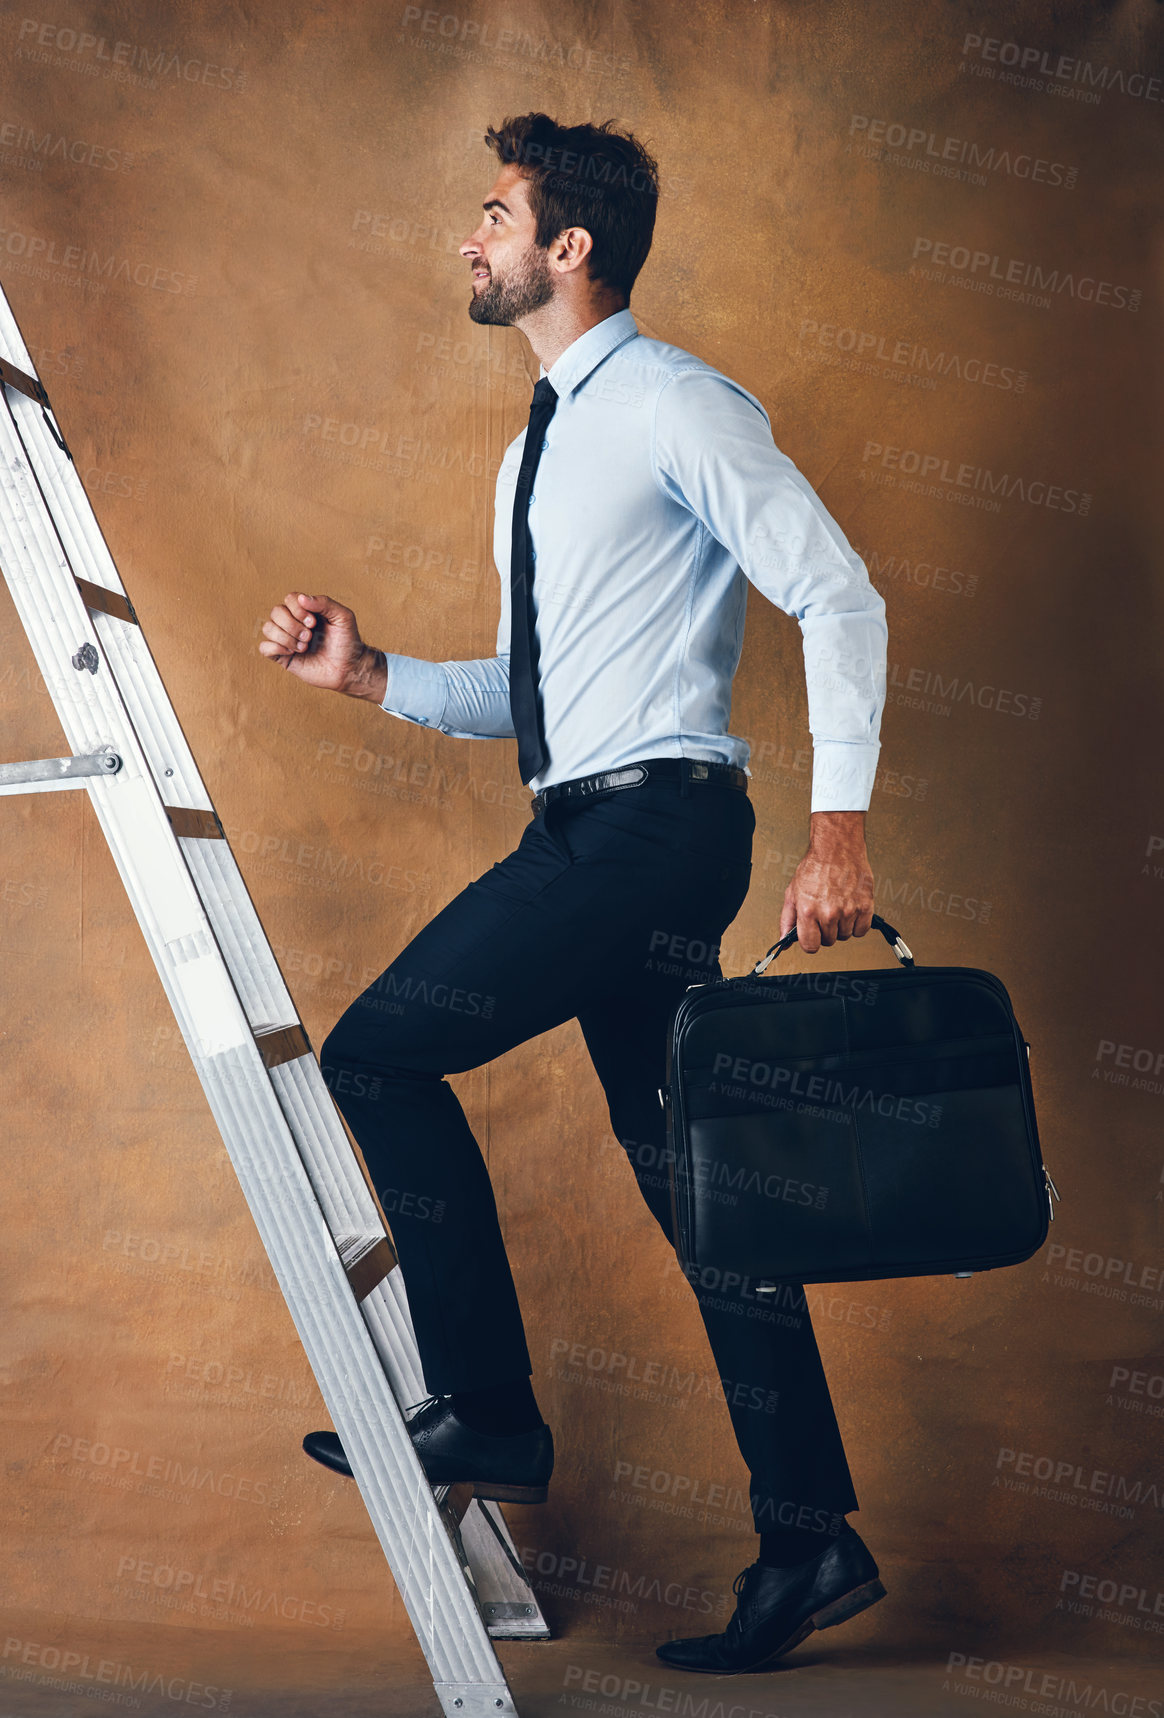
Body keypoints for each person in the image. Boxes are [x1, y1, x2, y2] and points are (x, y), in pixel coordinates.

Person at [259, 111, 889, 1674]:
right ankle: (810, 1539)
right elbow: (543, 700)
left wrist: (842, 837)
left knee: (379, 1052)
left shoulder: (674, 402)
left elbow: (837, 589)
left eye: (493, 212)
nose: (468, 238)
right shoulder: (533, 449)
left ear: (569, 247)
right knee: (699, 1194)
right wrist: (376, 675)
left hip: (654, 839)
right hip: (597, 820)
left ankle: (486, 1403)